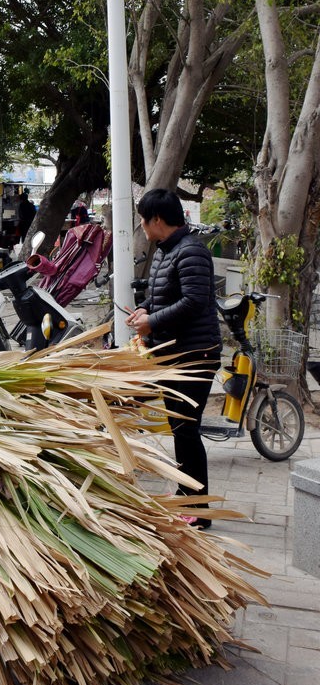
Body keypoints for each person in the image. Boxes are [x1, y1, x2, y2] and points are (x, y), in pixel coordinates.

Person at [125, 188, 222, 531]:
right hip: (173, 354)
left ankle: (198, 508)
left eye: (142, 219)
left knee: (186, 429)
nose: (141, 225)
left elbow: (195, 301)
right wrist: (144, 310)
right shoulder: (168, 251)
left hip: (195, 355)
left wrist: (154, 321)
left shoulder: (191, 251)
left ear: (156, 220)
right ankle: (187, 499)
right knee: (180, 429)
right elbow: (162, 297)